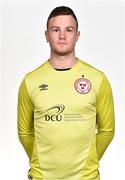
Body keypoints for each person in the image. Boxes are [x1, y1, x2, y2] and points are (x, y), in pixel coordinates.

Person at [17, 6, 115, 180]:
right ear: (47, 35)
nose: (62, 36)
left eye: (69, 30)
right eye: (56, 30)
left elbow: (107, 130)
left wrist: (88, 161)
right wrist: (42, 161)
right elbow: (25, 132)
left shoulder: (98, 79)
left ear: (77, 35)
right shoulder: (30, 81)